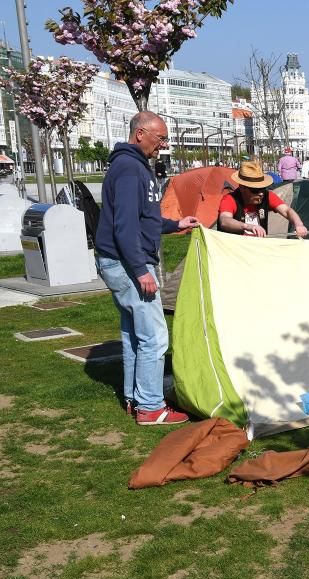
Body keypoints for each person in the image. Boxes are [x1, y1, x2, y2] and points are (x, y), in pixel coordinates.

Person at [94, 111, 199, 425]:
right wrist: (140, 269)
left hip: (123, 259)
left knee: (135, 335)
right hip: (127, 262)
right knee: (154, 336)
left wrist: (174, 224)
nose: (163, 144)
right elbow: (124, 226)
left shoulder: (135, 167)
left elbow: (143, 218)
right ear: (140, 133)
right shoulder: (128, 169)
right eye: (160, 137)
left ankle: (135, 398)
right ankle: (151, 408)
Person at [218, 161, 308, 238]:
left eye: (263, 188)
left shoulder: (267, 196)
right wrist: (248, 226)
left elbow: (287, 210)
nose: (260, 193)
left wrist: (299, 224)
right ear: (242, 188)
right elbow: (225, 221)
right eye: (255, 190)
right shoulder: (230, 199)